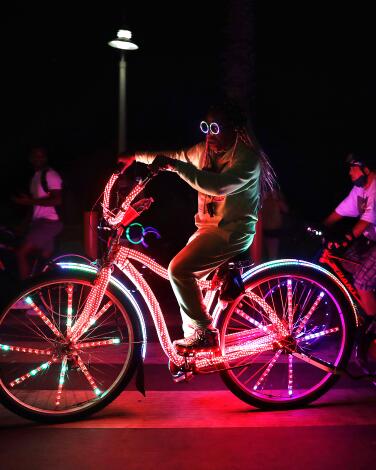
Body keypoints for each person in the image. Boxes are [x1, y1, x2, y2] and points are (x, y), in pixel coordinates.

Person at [118, 101, 276, 353]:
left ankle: (204, 331)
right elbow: (174, 156)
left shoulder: (247, 159)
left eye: (216, 128)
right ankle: (198, 328)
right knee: (188, 278)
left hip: (231, 232)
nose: (209, 134)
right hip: (207, 229)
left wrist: (176, 168)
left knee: (179, 270)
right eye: (206, 127)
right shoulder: (203, 151)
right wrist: (135, 157)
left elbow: (217, 186)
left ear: (234, 129)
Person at [323, 153, 376, 339]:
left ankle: (372, 329)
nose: (349, 172)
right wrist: (322, 227)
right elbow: (339, 212)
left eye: (353, 167)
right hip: (370, 241)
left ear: (366, 168)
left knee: (362, 280)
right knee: (346, 262)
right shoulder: (359, 190)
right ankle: (369, 304)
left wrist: (347, 237)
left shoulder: (375, 187)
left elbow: (366, 222)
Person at [13, 146, 63, 279]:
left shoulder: (50, 175)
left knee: (21, 253)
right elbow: (34, 205)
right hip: (39, 222)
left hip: (50, 222)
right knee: (42, 260)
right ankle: (47, 286)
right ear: (30, 158)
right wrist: (24, 224)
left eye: (41, 156)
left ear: (46, 158)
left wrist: (28, 201)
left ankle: (24, 294)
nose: (38, 158)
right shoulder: (35, 177)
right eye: (36, 156)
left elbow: (57, 200)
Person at [261, 188, 289, 260]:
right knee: (269, 254)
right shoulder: (266, 201)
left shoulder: (272, 201)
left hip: (270, 230)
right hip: (269, 230)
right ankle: (270, 268)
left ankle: (270, 267)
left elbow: (286, 210)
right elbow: (286, 210)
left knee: (270, 253)